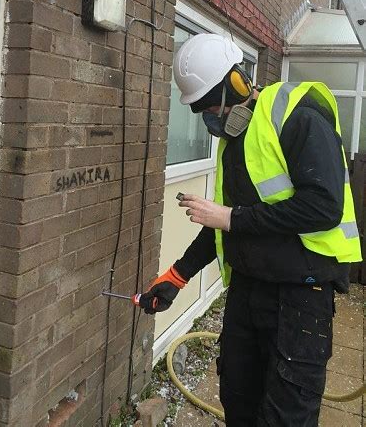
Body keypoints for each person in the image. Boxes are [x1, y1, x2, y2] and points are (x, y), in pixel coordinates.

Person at [138, 33, 362, 427]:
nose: (208, 119)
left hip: (301, 295)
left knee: (284, 417)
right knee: (238, 401)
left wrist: (231, 218)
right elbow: (224, 223)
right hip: (248, 291)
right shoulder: (234, 142)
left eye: (210, 106)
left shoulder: (297, 116)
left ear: (238, 84)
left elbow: (324, 206)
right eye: (200, 111)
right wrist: (176, 277)